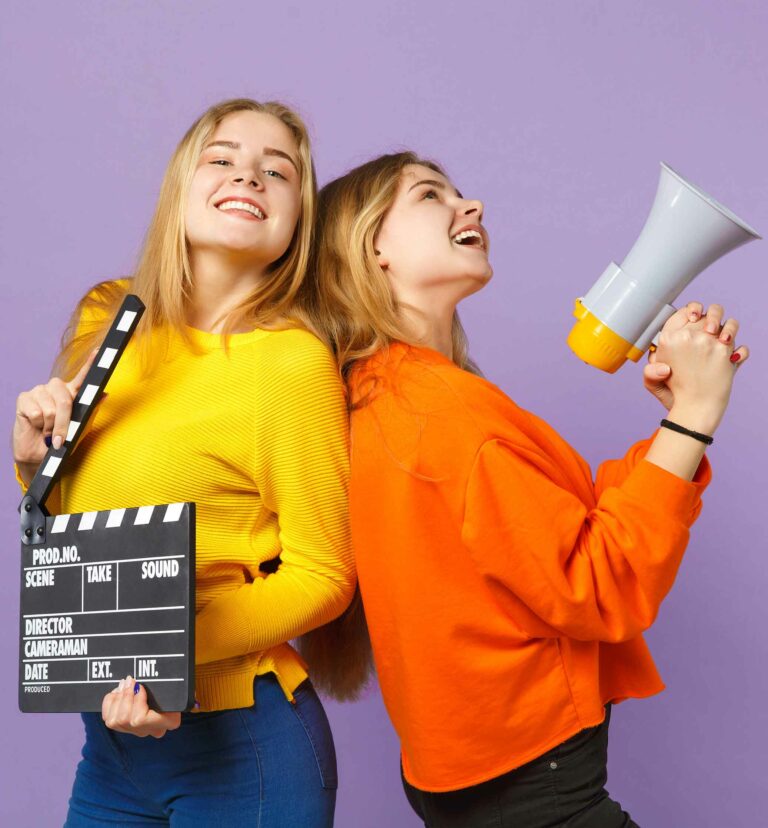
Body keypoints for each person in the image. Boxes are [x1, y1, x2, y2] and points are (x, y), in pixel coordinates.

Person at [305, 151, 750, 827]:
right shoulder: (447, 416)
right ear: (373, 248)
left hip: (459, 770)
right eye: (431, 195)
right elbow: (600, 584)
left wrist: (672, 427)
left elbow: (565, 530)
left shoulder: (387, 396)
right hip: (531, 778)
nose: (471, 204)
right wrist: (693, 419)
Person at [13, 98, 362, 827]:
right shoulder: (109, 317)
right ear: (181, 186)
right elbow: (87, 521)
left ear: (298, 219)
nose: (251, 177)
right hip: (110, 743)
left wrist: (165, 654)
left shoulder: (291, 364)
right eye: (224, 158)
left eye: (280, 171)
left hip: (244, 747)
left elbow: (324, 575)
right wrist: (30, 460)